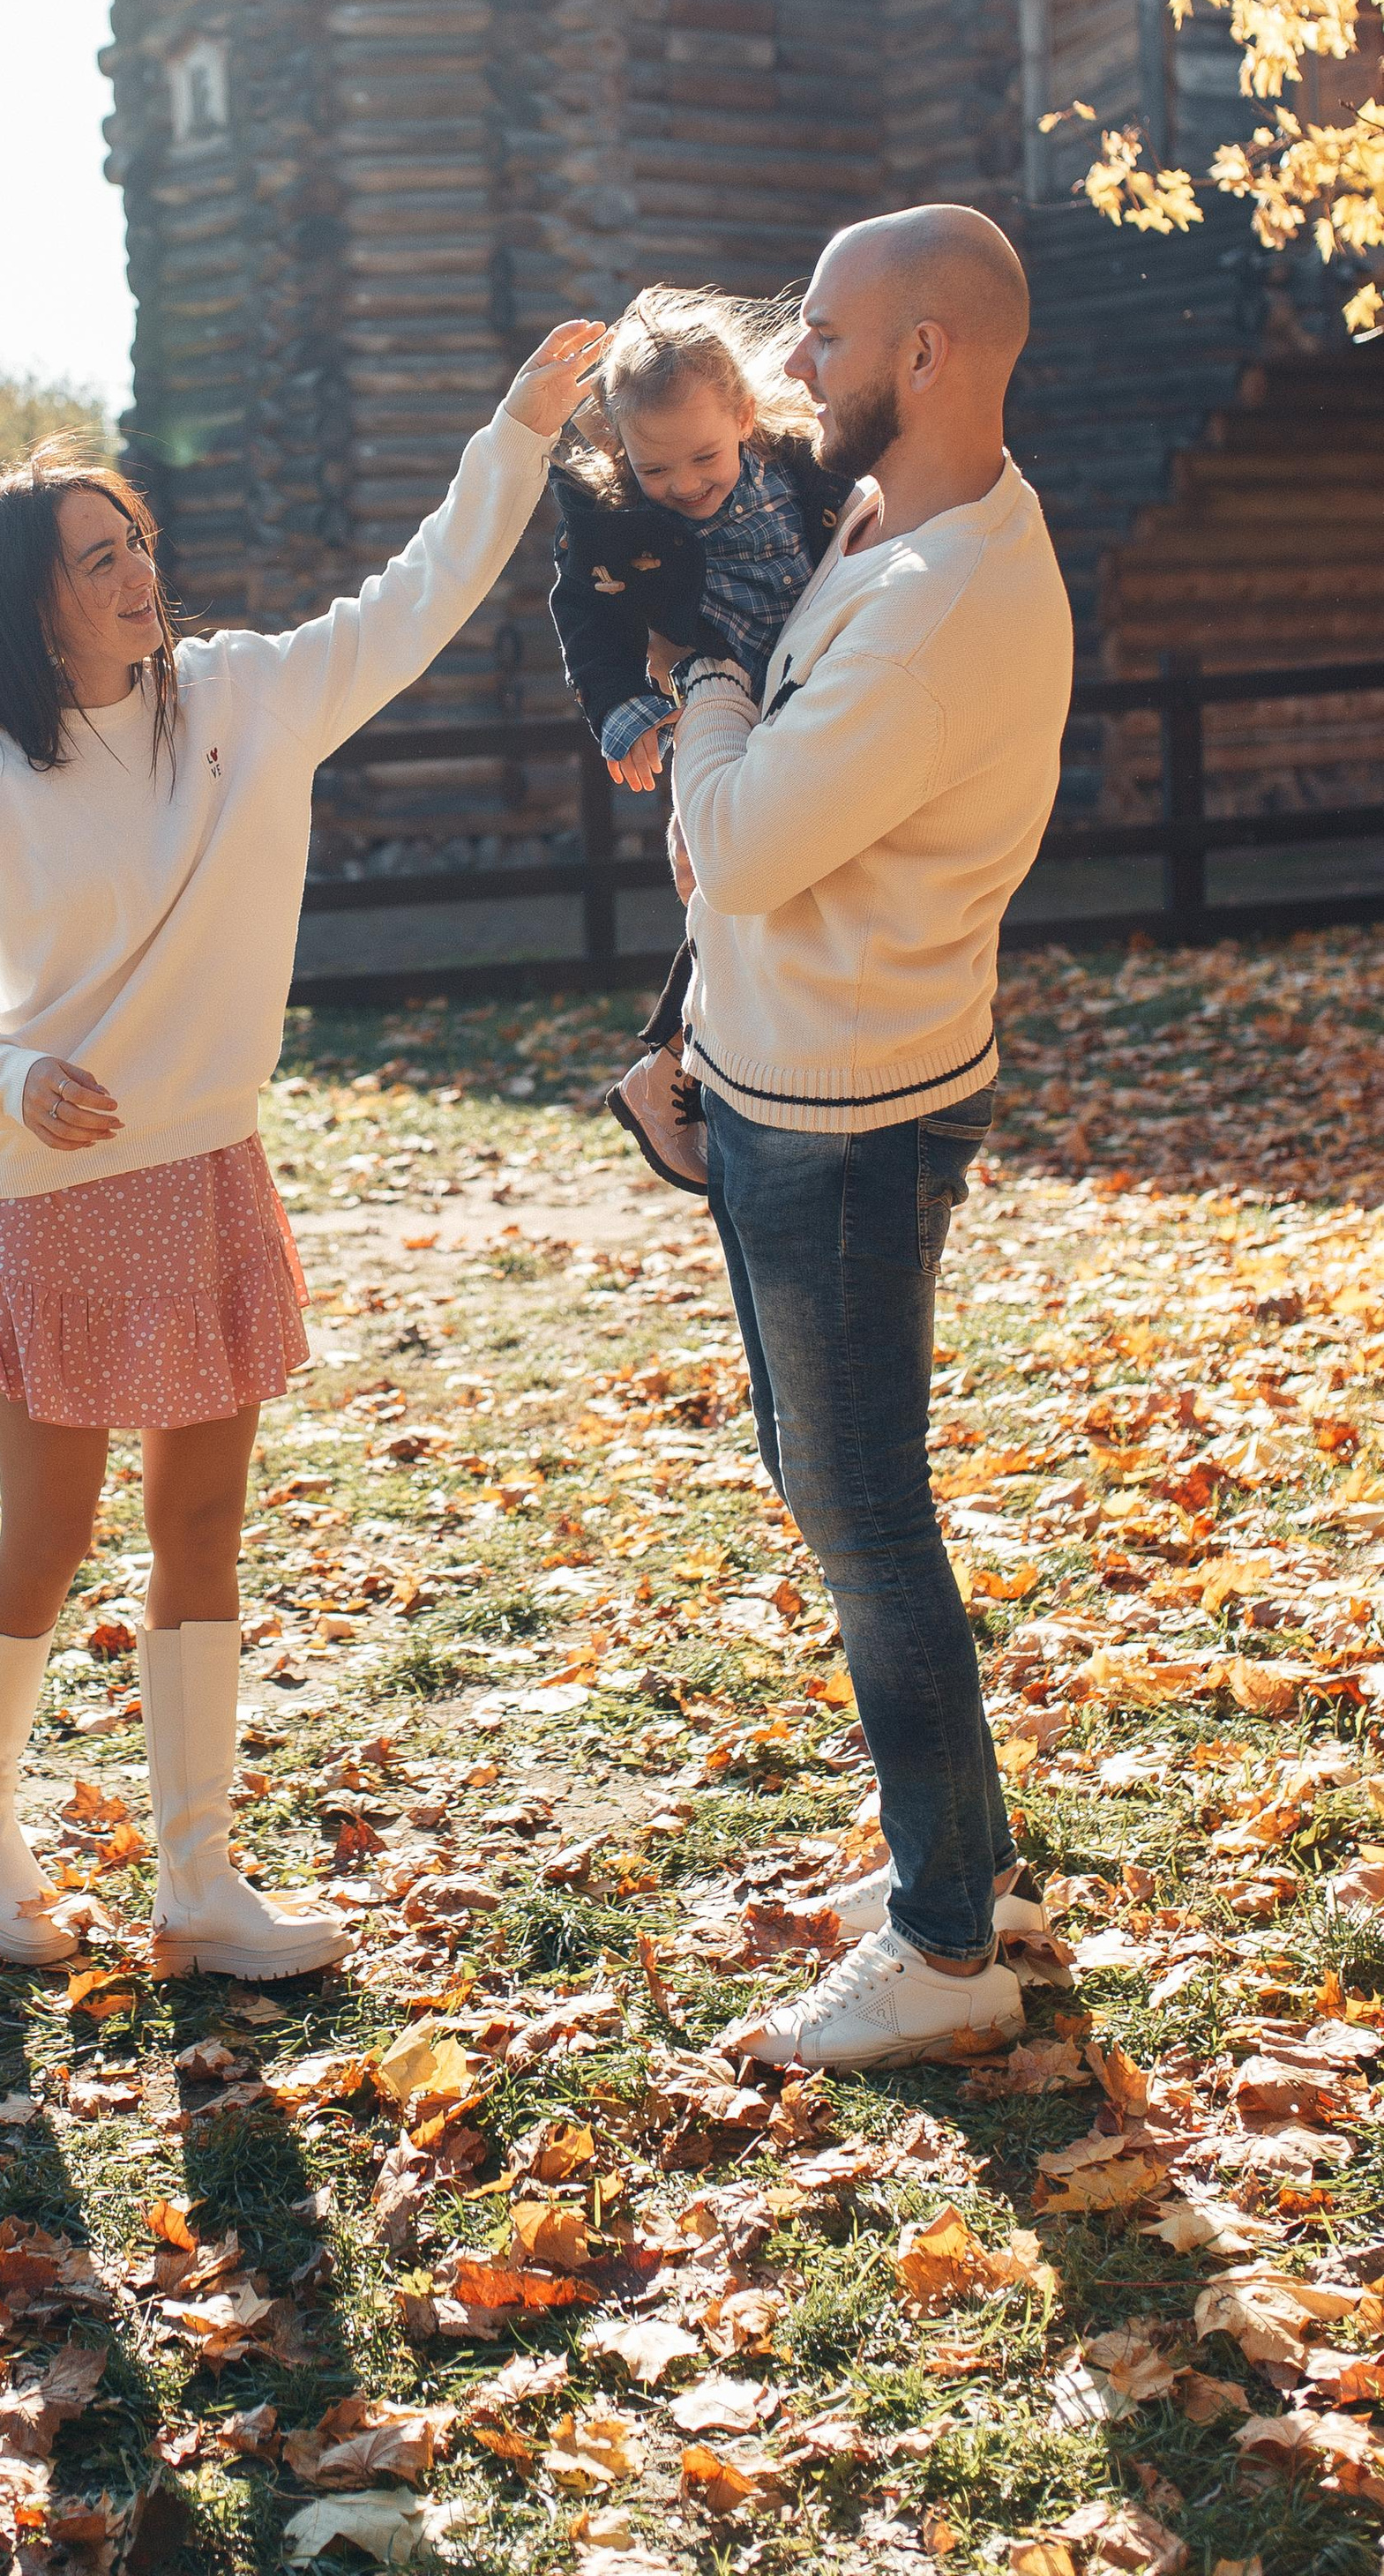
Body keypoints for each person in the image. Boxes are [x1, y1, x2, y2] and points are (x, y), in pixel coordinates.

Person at [0, 319, 605, 1980]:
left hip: (206, 1168)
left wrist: (516, 431)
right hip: (48, 1191)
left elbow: (419, 594)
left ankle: (198, 1881)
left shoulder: (250, 697)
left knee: (200, 1525)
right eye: (99, 557)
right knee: (50, 1538)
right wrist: (6, 1074)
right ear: (33, 602)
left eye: (138, 539)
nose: (141, 571)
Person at [656, 205, 1071, 2072]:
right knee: (844, 1491)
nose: (789, 364)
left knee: (862, 1517)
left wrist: (696, 690)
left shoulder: (933, 607)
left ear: (922, 353)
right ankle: (969, 1865)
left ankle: (942, 1945)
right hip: (803, 1077)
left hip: (843, 1119)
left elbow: (742, 839)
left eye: (821, 333)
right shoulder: (897, 515)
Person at [548, 288, 850, 1192]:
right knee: (714, 882)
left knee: (793, 897)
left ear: (744, 415)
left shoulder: (806, 465)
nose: (683, 485)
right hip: (717, 713)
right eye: (656, 468)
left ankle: (700, 1063)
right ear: (621, 453)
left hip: (811, 703)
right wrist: (622, 714)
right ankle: (685, 1065)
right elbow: (587, 621)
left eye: (704, 457)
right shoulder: (613, 521)